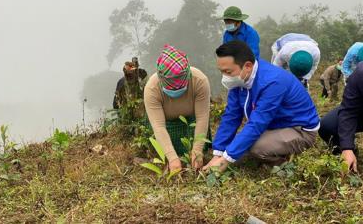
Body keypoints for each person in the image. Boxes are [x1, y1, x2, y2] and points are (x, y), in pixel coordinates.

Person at [203, 41, 320, 172]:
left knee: (256, 148)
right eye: (222, 72)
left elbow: (258, 123)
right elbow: (231, 116)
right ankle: (272, 148)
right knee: (235, 149)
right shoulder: (238, 80)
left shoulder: (273, 82)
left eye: (228, 71)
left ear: (247, 66)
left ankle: (284, 165)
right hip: (274, 125)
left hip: (299, 130)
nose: (225, 77)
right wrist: (218, 154)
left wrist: (225, 161)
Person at [144, 45, 211, 171]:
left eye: (179, 87)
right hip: (166, 126)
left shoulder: (199, 81)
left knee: (197, 151)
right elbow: (158, 126)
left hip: (191, 123)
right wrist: (172, 158)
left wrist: (197, 151)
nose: (176, 90)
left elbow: (202, 118)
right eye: (172, 87)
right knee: (164, 154)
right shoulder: (152, 89)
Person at [319, 62, 363, 172]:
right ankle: (347, 156)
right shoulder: (360, 73)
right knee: (328, 125)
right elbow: (349, 111)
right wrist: (347, 147)